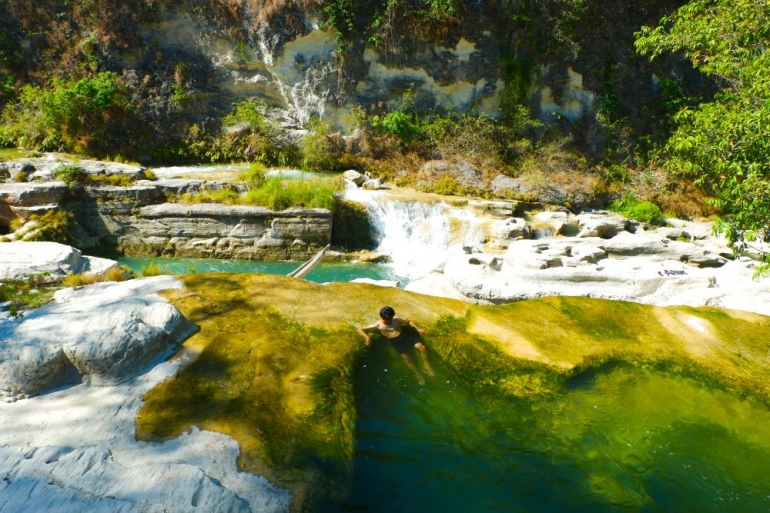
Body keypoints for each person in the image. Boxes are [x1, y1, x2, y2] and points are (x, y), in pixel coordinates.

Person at [357, 306, 434, 385]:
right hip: (394, 341)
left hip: (404, 335)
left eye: (392, 317)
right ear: (382, 318)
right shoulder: (378, 325)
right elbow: (360, 329)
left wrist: (417, 329)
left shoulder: (396, 320)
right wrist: (367, 337)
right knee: (406, 358)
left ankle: (426, 365)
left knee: (421, 347)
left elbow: (409, 322)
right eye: (389, 319)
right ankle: (418, 375)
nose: (391, 320)